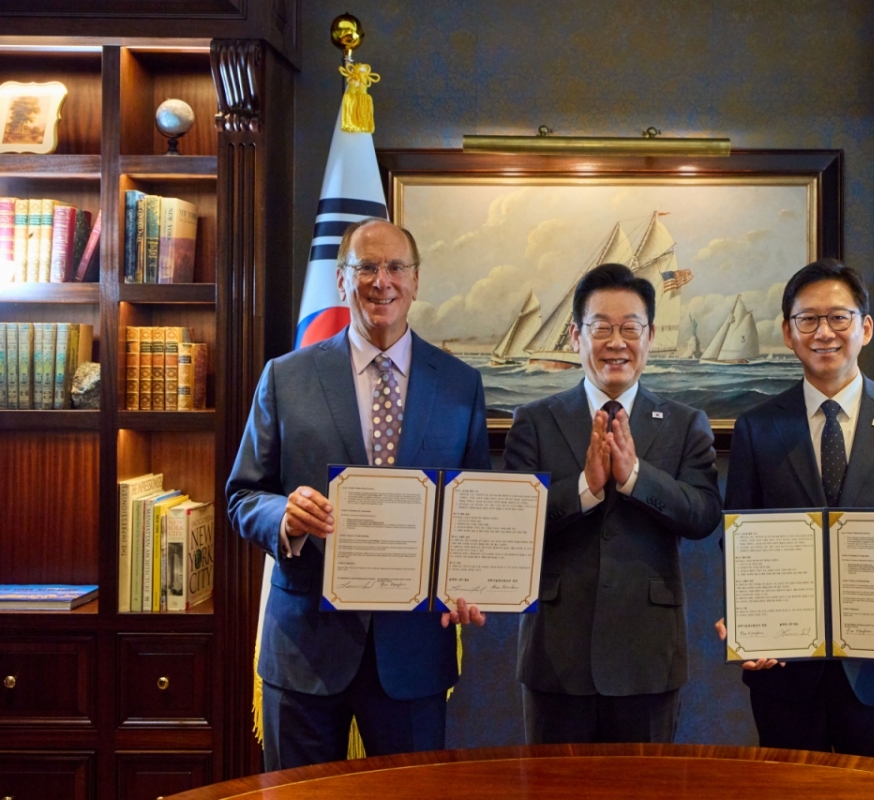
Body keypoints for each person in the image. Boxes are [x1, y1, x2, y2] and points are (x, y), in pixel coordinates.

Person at [226, 218, 490, 771]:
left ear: (415, 281)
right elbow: (244, 495)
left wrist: (469, 582)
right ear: (342, 281)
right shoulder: (285, 377)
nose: (381, 281)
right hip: (305, 647)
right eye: (365, 267)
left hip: (413, 655)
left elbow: (473, 510)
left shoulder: (460, 384)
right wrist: (285, 516)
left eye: (395, 267)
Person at [719, 258, 874, 761]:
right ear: (788, 333)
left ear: (865, 327)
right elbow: (737, 540)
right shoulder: (757, 427)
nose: (824, 332)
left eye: (838, 317)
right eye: (808, 319)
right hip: (784, 669)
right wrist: (743, 613)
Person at [503, 262, 723, 745]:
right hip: (555, 656)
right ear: (575, 336)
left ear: (650, 336)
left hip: (648, 655)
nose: (616, 342)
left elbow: (703, 515)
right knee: (553, 784)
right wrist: (585, 486)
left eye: (630, 328)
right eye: (601, 327)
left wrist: (636, 477)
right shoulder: (534, 421)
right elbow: (512, 523)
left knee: (644, 784)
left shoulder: (686, 422)